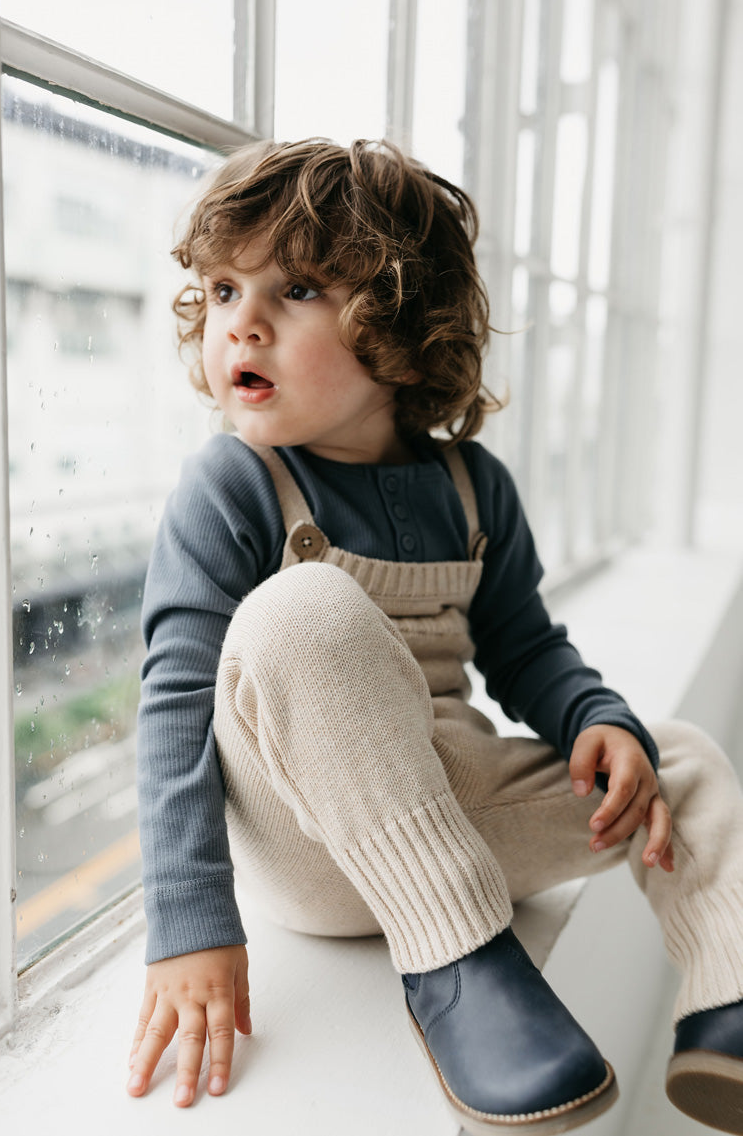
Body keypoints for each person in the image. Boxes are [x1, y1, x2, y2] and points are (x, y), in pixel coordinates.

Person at [126, 138, 743, 1134]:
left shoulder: (471, 486)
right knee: (300, 608)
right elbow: (170, 708)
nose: (242, 321)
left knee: (678, 757)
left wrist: (594, 719)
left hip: (452, 811)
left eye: (293, 291)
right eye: (224, 288)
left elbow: (525, 645)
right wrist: (188, 923)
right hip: (312, 837)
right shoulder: (232, 486)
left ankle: (726, 1009)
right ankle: (456, 964)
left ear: (399, 325)